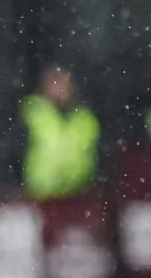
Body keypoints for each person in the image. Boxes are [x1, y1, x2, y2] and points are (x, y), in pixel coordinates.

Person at [20, 65, 100, 200]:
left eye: (64, 83)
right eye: (55, 83)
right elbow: (16, 149)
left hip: (79, 196)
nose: (60, 89)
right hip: (38, 197)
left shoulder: (85, 118)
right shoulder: (32, 112)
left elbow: (95, 155)